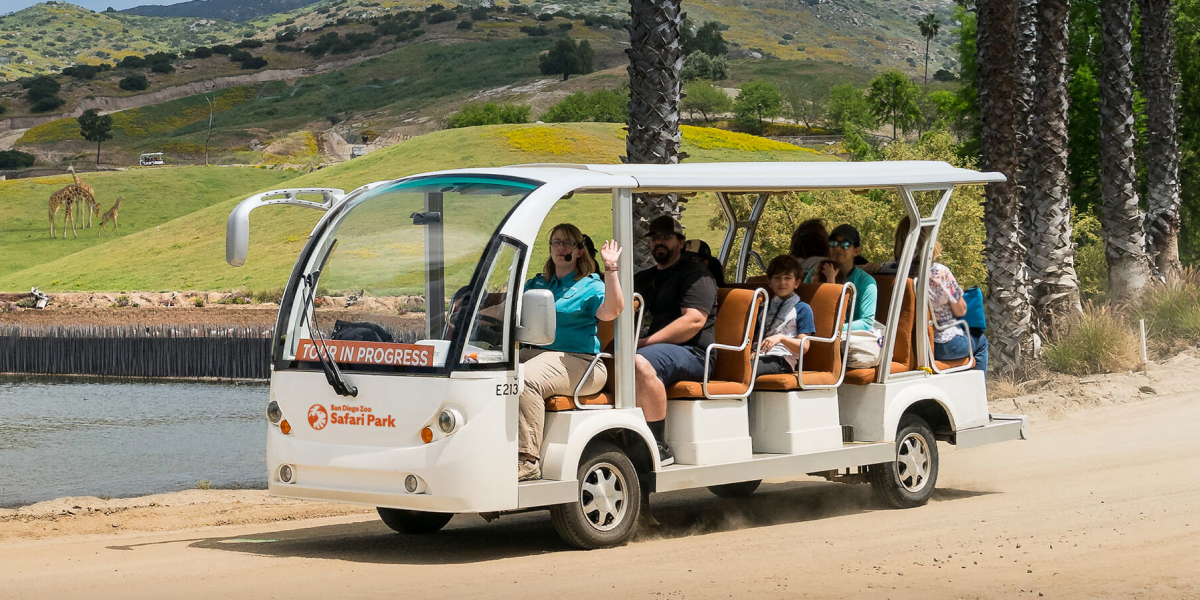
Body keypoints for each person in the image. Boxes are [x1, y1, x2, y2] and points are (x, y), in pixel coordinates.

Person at [517, 224, 625, 481]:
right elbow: (511, 311)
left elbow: (612, 311)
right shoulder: (538, 283)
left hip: (582, 363)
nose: (560, 247)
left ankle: (527, 460)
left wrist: (611, 269)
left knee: (526, 380)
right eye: (555, 242)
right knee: (487, 368)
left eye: (567, 243)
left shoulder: (590, 286)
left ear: (578, 251)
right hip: (537, 355)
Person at [634, 216, 719, 467]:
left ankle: (657, 446)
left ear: (680, 243)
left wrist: (644, 342)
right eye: (654, 237)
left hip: (694, 354)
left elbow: (693, 322)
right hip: (654, 350)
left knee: (638, 363)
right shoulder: (642, 278)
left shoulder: (696, 275)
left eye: (666, 237)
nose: (659, 241)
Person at [875, 217, 988, 374]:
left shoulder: (886, 269)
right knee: (981, 342)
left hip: (900, 344)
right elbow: (961, 310)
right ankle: (977, 394)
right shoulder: (939, 273)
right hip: (939, 345)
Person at [806, 224, 877, 332]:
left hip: (848, 340)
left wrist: (835, 329)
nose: (837, 248)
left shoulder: (866, 282)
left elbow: (867, 322)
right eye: (833, 243)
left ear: (856, 251)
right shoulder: (816, 271)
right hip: (813, 334)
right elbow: (802, 300)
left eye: (845, 244)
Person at [756, 255, 816, 376]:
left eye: (787, 278)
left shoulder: (802, 309)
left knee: (748, 370)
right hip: (757, 354)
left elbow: (804, 347)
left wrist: (781, 338)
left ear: (797, 283)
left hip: (782, 358)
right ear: (769, 282)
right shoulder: (763, 307)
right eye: (777, 278)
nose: (782, 282)